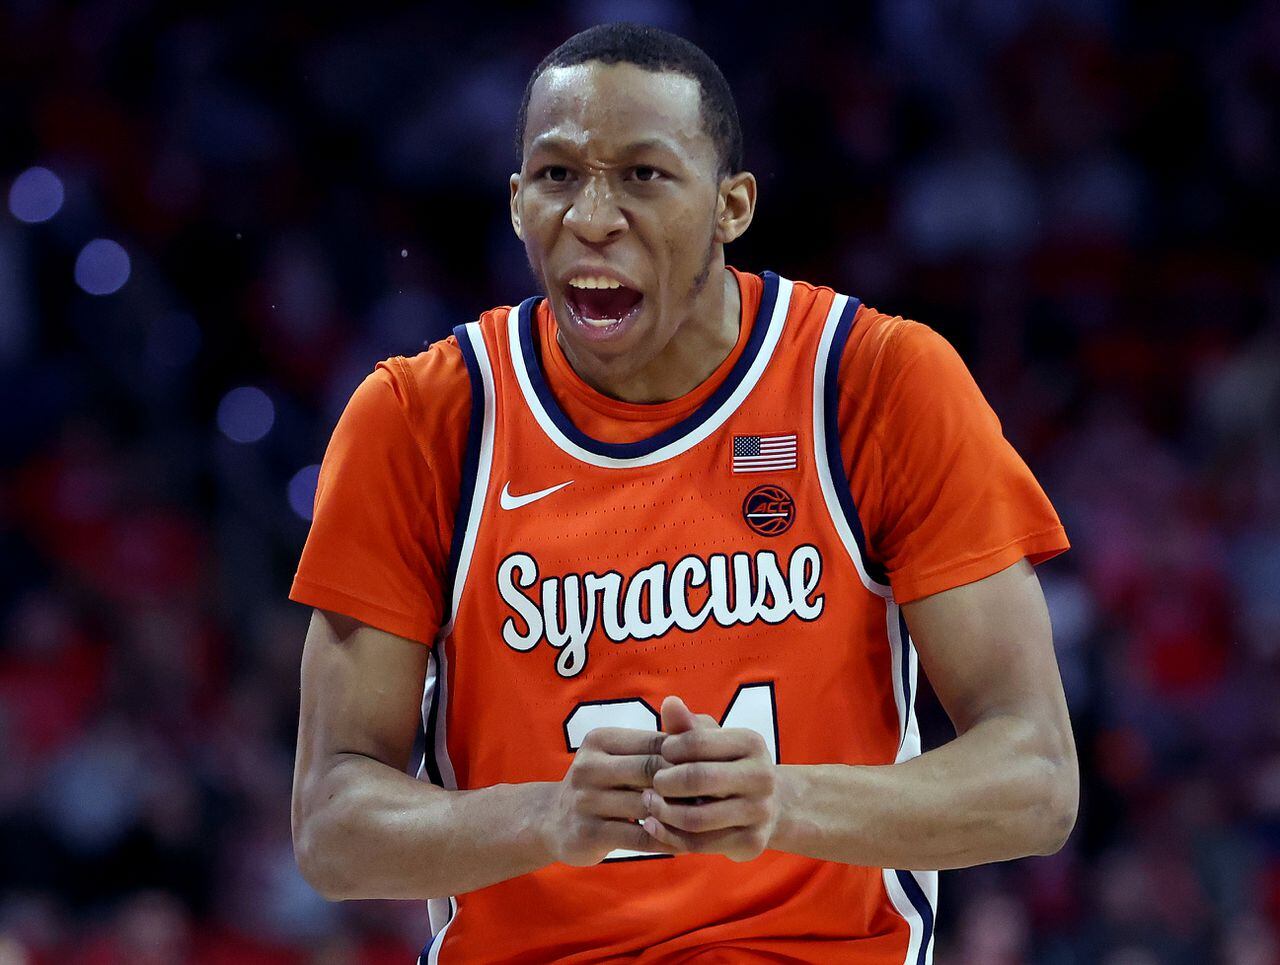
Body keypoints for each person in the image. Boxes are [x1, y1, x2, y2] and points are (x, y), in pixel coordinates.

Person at [288, 21, 1078, 964]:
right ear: (516, 203)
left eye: (643, 175)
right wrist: (544, 816)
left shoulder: (878, 383)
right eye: (557, 175)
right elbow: (331, 824)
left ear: (731, 205)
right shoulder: (418, 420)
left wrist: (784, 800)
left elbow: (1036, 779)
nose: (593, 216)